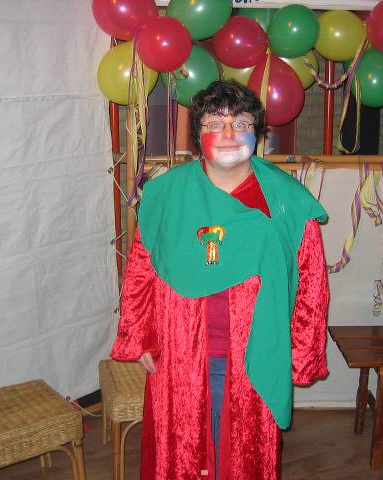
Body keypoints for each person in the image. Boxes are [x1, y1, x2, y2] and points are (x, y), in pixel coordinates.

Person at [110, 80, 329, 480]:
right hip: (179, 352)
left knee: (240, 458)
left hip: (253, 356)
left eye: (240, 123)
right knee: (183, 455)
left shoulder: (285, 200)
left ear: (257, 132)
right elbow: (142, 265)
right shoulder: (166, 193)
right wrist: (139, 334)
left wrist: (300, 355)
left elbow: (311, 283)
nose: (228, 133)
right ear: (198, 135)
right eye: (215, 123)